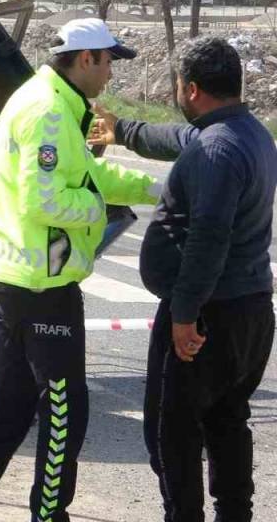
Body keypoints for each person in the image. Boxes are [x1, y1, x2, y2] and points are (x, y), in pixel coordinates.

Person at [0, 18, 159, 522]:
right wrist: (97, 210)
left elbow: (88, 174)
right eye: (108, 62)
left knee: (11, 403)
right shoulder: (49, 112)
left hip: (15, 273)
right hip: (41, 282)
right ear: (86, 59)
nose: (111, 74)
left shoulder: (52, 101)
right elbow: (45, 201)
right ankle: (48, 513)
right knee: (64, 408)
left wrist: (156, 190)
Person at [89, 37, 276, 522]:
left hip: (209, 315)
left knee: (172, 434)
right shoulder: (246, 134)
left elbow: (208, 238)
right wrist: (122, 130)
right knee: (227, 421)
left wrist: (185, 315)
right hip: (250, 308)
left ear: (190, 89)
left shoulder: (216, 150)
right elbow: (176, 139)